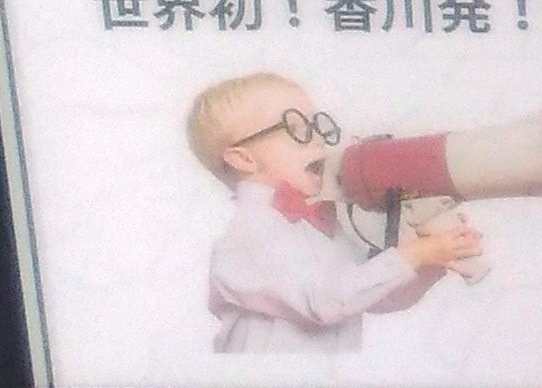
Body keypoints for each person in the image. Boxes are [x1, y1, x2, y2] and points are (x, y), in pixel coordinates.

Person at [185, 71, 483, 355]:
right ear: (243, 159)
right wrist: (413, 255)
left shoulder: (321, 224)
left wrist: (430, 262)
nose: (318, 138)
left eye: (317, 125)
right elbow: (324, 301)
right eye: (297, 129)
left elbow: (372, 296)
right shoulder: (250, 233)